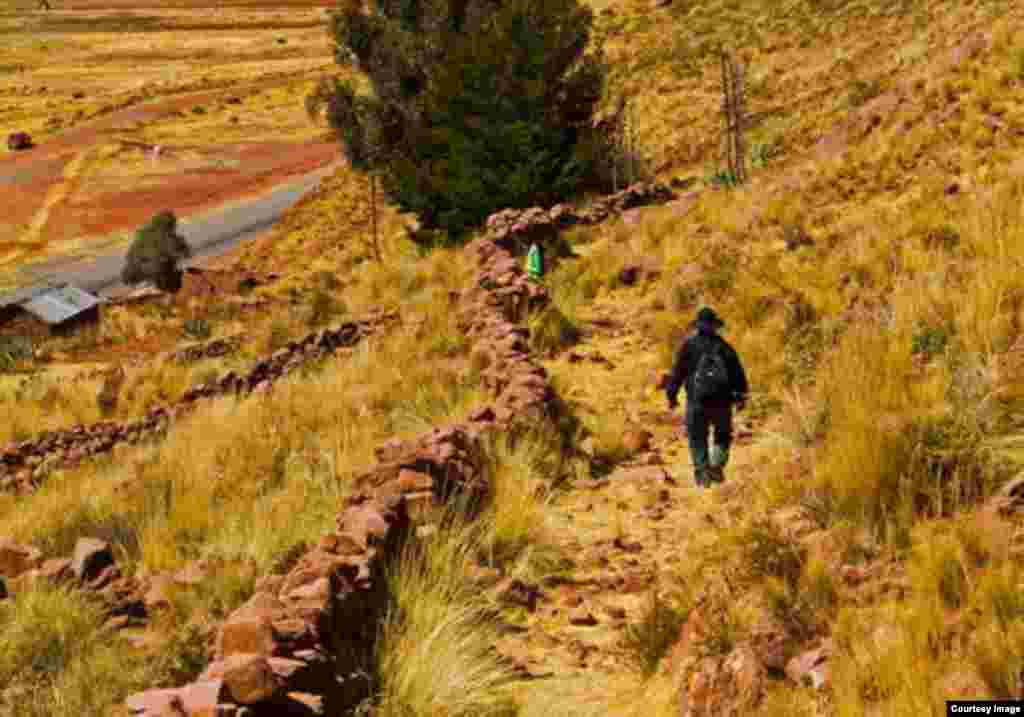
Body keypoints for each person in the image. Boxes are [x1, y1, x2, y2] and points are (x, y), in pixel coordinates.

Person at [665, 307, 749, 488]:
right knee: (723, 436)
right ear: (715, 326)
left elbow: (677, 373)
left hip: (696, 401)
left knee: (697, 437)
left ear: (697, 326)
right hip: (722, 402)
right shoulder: (725, 347)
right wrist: (741, 398)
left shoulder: (688, 346)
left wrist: (672, 396)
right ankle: (716, 465)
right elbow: (738, 375)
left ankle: (703, 474)